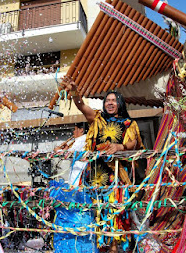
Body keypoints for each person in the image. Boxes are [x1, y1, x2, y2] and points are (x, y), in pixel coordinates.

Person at [61, 76, 144, 252]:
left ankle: (115, 247)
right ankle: (98, 247)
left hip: (117, 173)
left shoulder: (129, 123)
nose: (110, 103)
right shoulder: (97, 119)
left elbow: (134, 143)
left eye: (114, 100)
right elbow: (81, 105)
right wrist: (75, 92)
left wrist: (119, 146)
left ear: (120, 103)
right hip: (96, 173)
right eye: (108, 101)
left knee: (115, 212)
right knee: (95, 211)